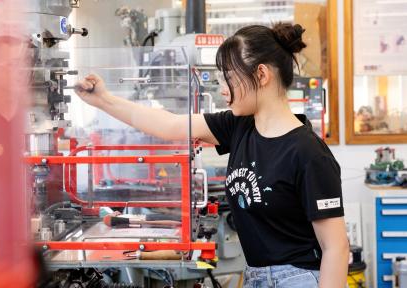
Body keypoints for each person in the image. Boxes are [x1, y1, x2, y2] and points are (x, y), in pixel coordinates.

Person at [75, 23, 349, 288]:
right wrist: (103, 99)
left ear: (262, 75)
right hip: (256, 275)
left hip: (299, 279)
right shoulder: (239, 126)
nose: (222, 88)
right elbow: (169, 125)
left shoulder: (309, 153)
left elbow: (335, 247)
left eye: (229, 77)